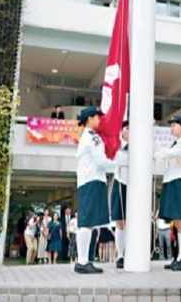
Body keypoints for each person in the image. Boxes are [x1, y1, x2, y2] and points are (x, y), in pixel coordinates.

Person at [74, 106, 111, 274]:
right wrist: (121, 163)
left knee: (88, 222)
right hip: (92, 180)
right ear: (89, 119)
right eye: (97, 116)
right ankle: (82, 261)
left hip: (88, 181)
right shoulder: (92, 138)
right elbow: (101, 161)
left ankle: (84, 260)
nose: (99, 119)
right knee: (87, 222)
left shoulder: (87, 137)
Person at [156, 116, 181, 272]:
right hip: (170, 181)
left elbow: (168, 154)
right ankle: (179, 258)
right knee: (177, 222)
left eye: (174, 125)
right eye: (171, 125)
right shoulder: (174, 144)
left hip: (179, 182)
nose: (172, 127)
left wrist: (159, 152)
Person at [110, 120, 129, 269]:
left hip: (134, 186)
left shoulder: (138, 146)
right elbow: (117, 160)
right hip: (119, 182)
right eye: (127, 129)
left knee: (131, 222)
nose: (129, 132)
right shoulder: (117, 145)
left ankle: (131, 253)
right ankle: (120, 255)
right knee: (120, 221)